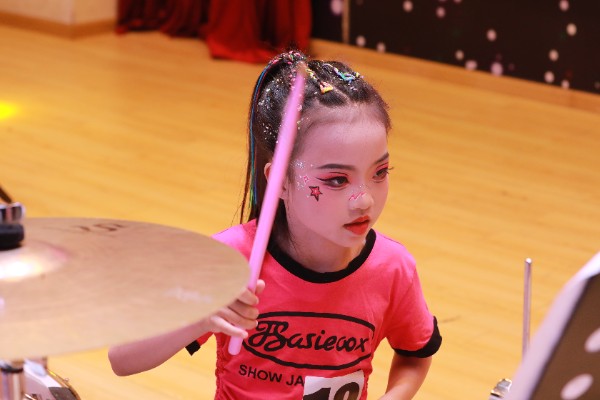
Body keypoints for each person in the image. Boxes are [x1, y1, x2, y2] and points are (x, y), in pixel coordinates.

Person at [108, 50, 442, 399]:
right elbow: (122, 358)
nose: (364, 200)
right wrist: (203, 315)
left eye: (380, 172)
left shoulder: (393, 267)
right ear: (281, 181)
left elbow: (415, 353)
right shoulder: (229, 259)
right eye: (337, 180)